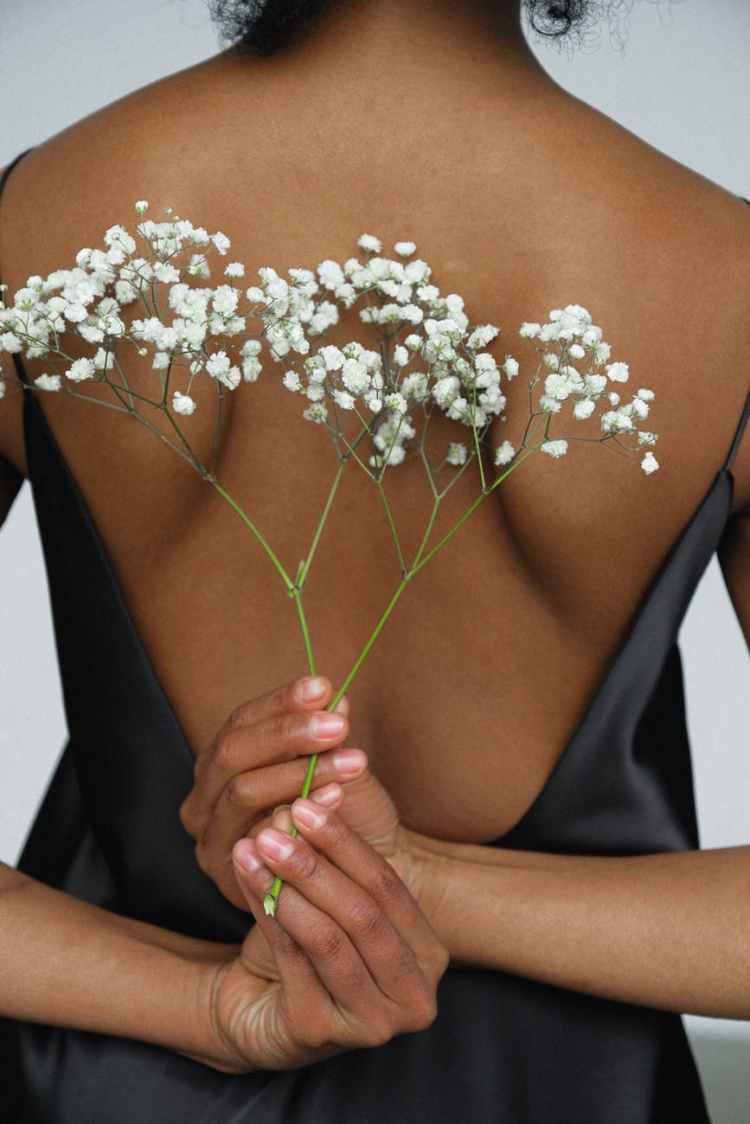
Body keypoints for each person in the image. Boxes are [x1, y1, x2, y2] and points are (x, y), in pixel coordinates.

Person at [0, 1, 748, 1120]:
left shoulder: (37, 222)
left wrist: (212, 1004)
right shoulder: (721, 274)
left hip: (114, 1083)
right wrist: (427, 886)